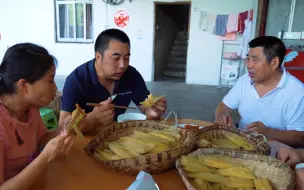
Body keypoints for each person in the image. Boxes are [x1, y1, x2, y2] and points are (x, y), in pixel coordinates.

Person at [59, 29, 167, 132]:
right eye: (116, 58)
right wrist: (90, 120)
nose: (122, 65)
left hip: (117, 136)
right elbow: (63, 126)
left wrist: (153, 112)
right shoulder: (76, 81)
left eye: (126, 58)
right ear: (98, 57)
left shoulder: (131, 75)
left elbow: (146, 109)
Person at [0, 43, 75, 189]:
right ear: (24, 86)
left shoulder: (32, 108)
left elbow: (42, 140)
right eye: (50, 80)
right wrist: (45, 157)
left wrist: (64, 128)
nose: (55, 87)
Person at [215, 36, 304, 147]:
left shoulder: (297, 92)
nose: (249, 65)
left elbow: (300, 137)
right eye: (248, 59)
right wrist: (222, 116)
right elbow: (224, 106)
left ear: (274, 62)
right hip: (242, 147)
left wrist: (269, 133)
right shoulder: (244, 80)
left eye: (255, 60)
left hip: (277, 155)